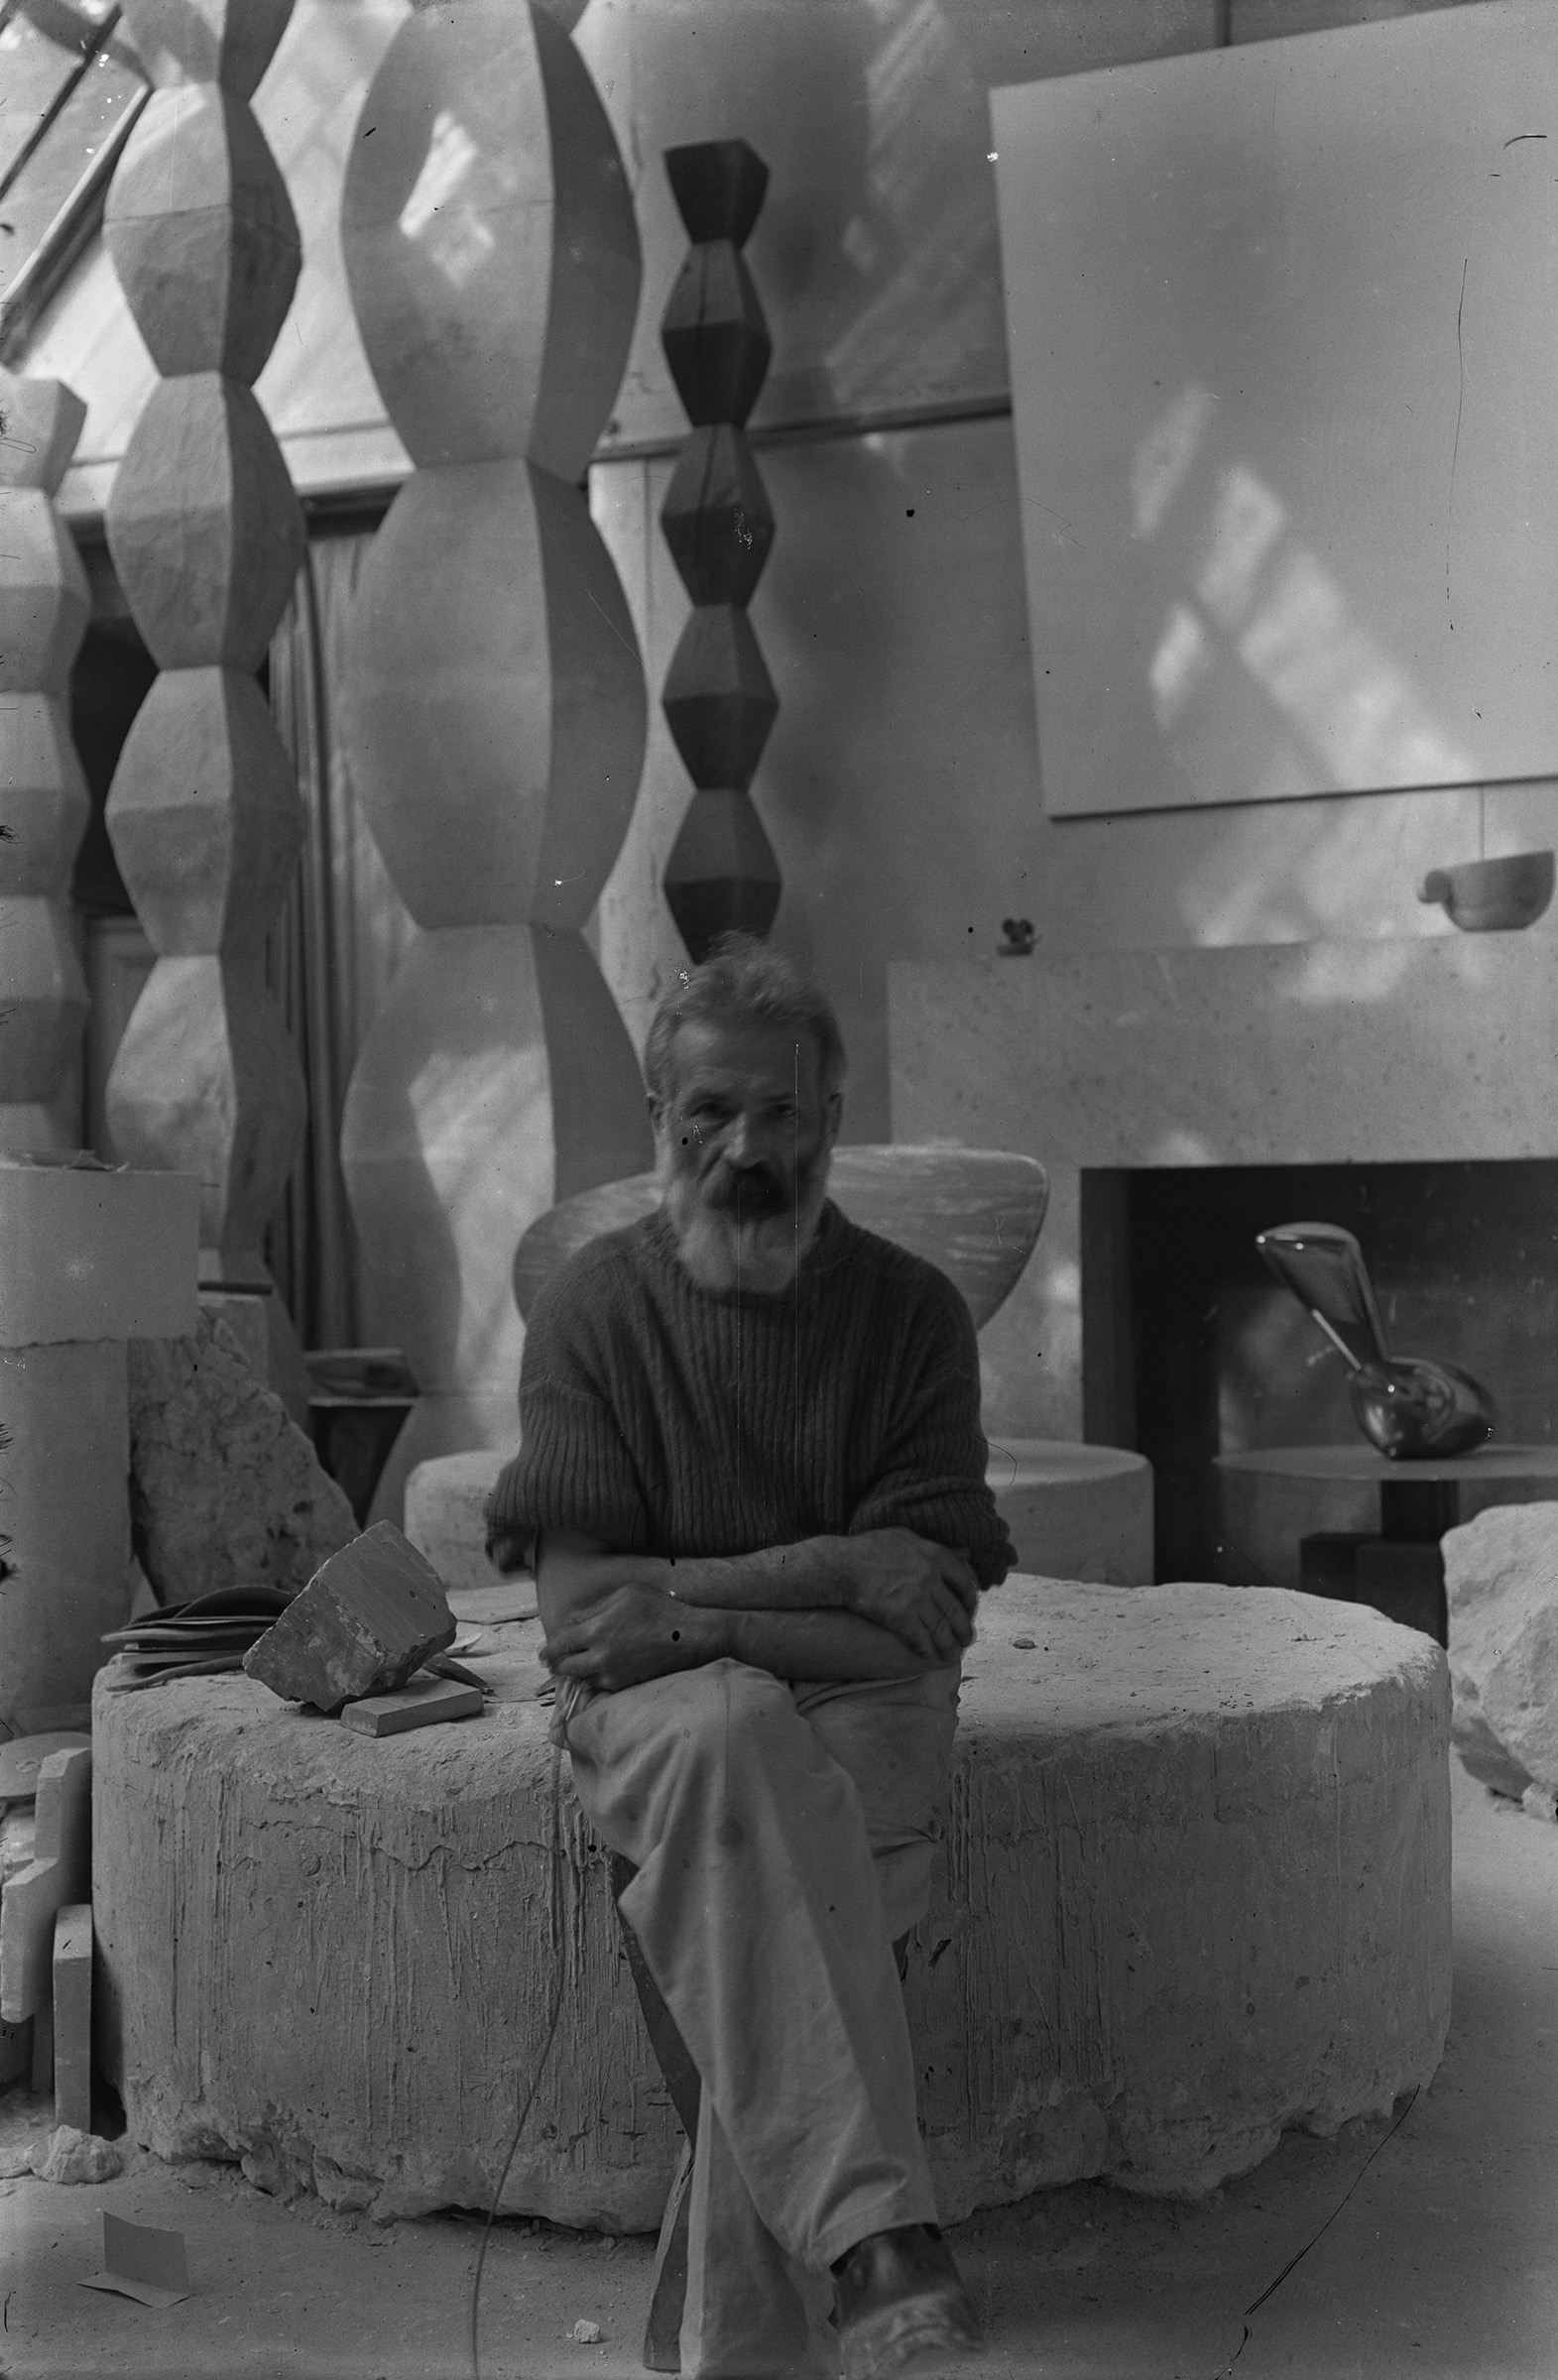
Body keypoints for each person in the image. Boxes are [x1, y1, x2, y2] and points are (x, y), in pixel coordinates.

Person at [486, 934, 1014, 2379]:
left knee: (765, 1875)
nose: (746, 1149)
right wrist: (836, 1566)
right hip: (665, 1708)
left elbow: (921, 1623)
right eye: (709, 1112)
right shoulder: (594, 1309)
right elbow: (583, 1620)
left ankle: (796, 2305)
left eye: (782, 1112)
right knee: (737, 1752)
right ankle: (877, 2241)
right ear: (658, 1117)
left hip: (857, 1692)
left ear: (831, 1121)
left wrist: (696, 1611)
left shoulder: (909, 1315)